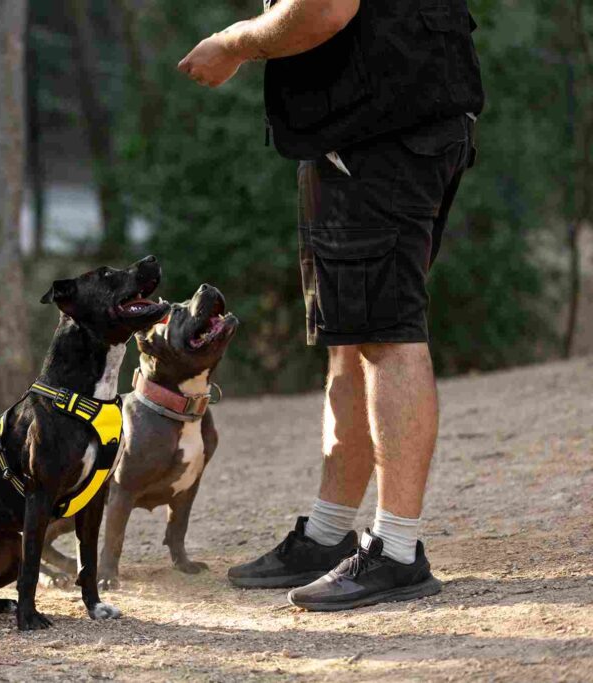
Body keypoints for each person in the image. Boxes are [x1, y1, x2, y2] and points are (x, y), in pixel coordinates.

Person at [178, 0, 483, 611]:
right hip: (381, 128)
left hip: (378, 135)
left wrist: (235, 42)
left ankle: (397, 552)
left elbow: (322, 8)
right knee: (353, 337)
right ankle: (327, 533)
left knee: (386, 337)